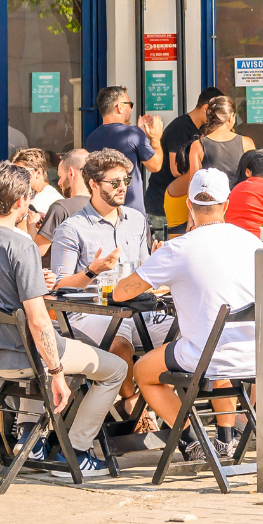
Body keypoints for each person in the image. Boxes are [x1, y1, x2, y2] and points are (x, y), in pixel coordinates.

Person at [0, 160, 125, 481]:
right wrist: (57, 372)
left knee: (49, 343)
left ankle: (31, 440)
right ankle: (75, 450)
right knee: (115, 369)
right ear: (21, 202)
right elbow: (37, 321)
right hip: (24, 357)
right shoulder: (21, 245)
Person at [117, 167, 260, 461]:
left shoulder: (178, 248)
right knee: (218, 356)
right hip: (255, 354)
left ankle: (192, 441)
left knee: (143, 371)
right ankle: (226, 440)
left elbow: (121, 293)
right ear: (226, 204)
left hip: (207, 356)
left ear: (188, 205)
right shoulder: (253, 242)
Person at [50, 148, 167, 365]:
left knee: (184, 336)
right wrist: (92, 271)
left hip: (138, 312)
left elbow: (143, 273)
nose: (122, 187)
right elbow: (60, 288)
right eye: (114, 182)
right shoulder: (71, 228)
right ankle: (130, 389)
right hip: (92, 315)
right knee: (119, 345)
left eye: (126, 180)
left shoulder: (137, 220)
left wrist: (157, 263)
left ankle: (149, 385)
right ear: (94, 184)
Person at [164, 95, 249, 234]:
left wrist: (191, 220)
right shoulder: (246, 143)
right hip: (240, 211)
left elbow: (194, 185)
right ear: (231, 117)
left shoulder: (198, 145)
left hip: (210, 215)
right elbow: (253, 182)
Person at [82, 85, 162, 216]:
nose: (131, 109)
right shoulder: (132, 134)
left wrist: (139, 135)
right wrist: (155, 139)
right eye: (130, 104)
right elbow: (155, 165)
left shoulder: (91, 138)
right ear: (120, 107)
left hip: (101, 213)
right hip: (131, 213)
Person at [149, 88, 218, 215]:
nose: (216, 118)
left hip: (179, 203)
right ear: (205, 108)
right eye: (215, 112)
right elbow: (176, 169)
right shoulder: (181, 127)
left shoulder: (201, 129)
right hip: (161, 205)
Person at [34, 148, 92, 261]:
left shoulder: (60, 208)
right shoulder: (103, 207)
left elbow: (37, 252)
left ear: (71, 173)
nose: (59, 183)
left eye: (60, 176)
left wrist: (31, 224)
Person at [10, 148, 63, 214]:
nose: (16, 177)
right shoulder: (39, 196)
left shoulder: (41, 202)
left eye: (22, 172)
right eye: (14, 172)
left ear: (38, 173)